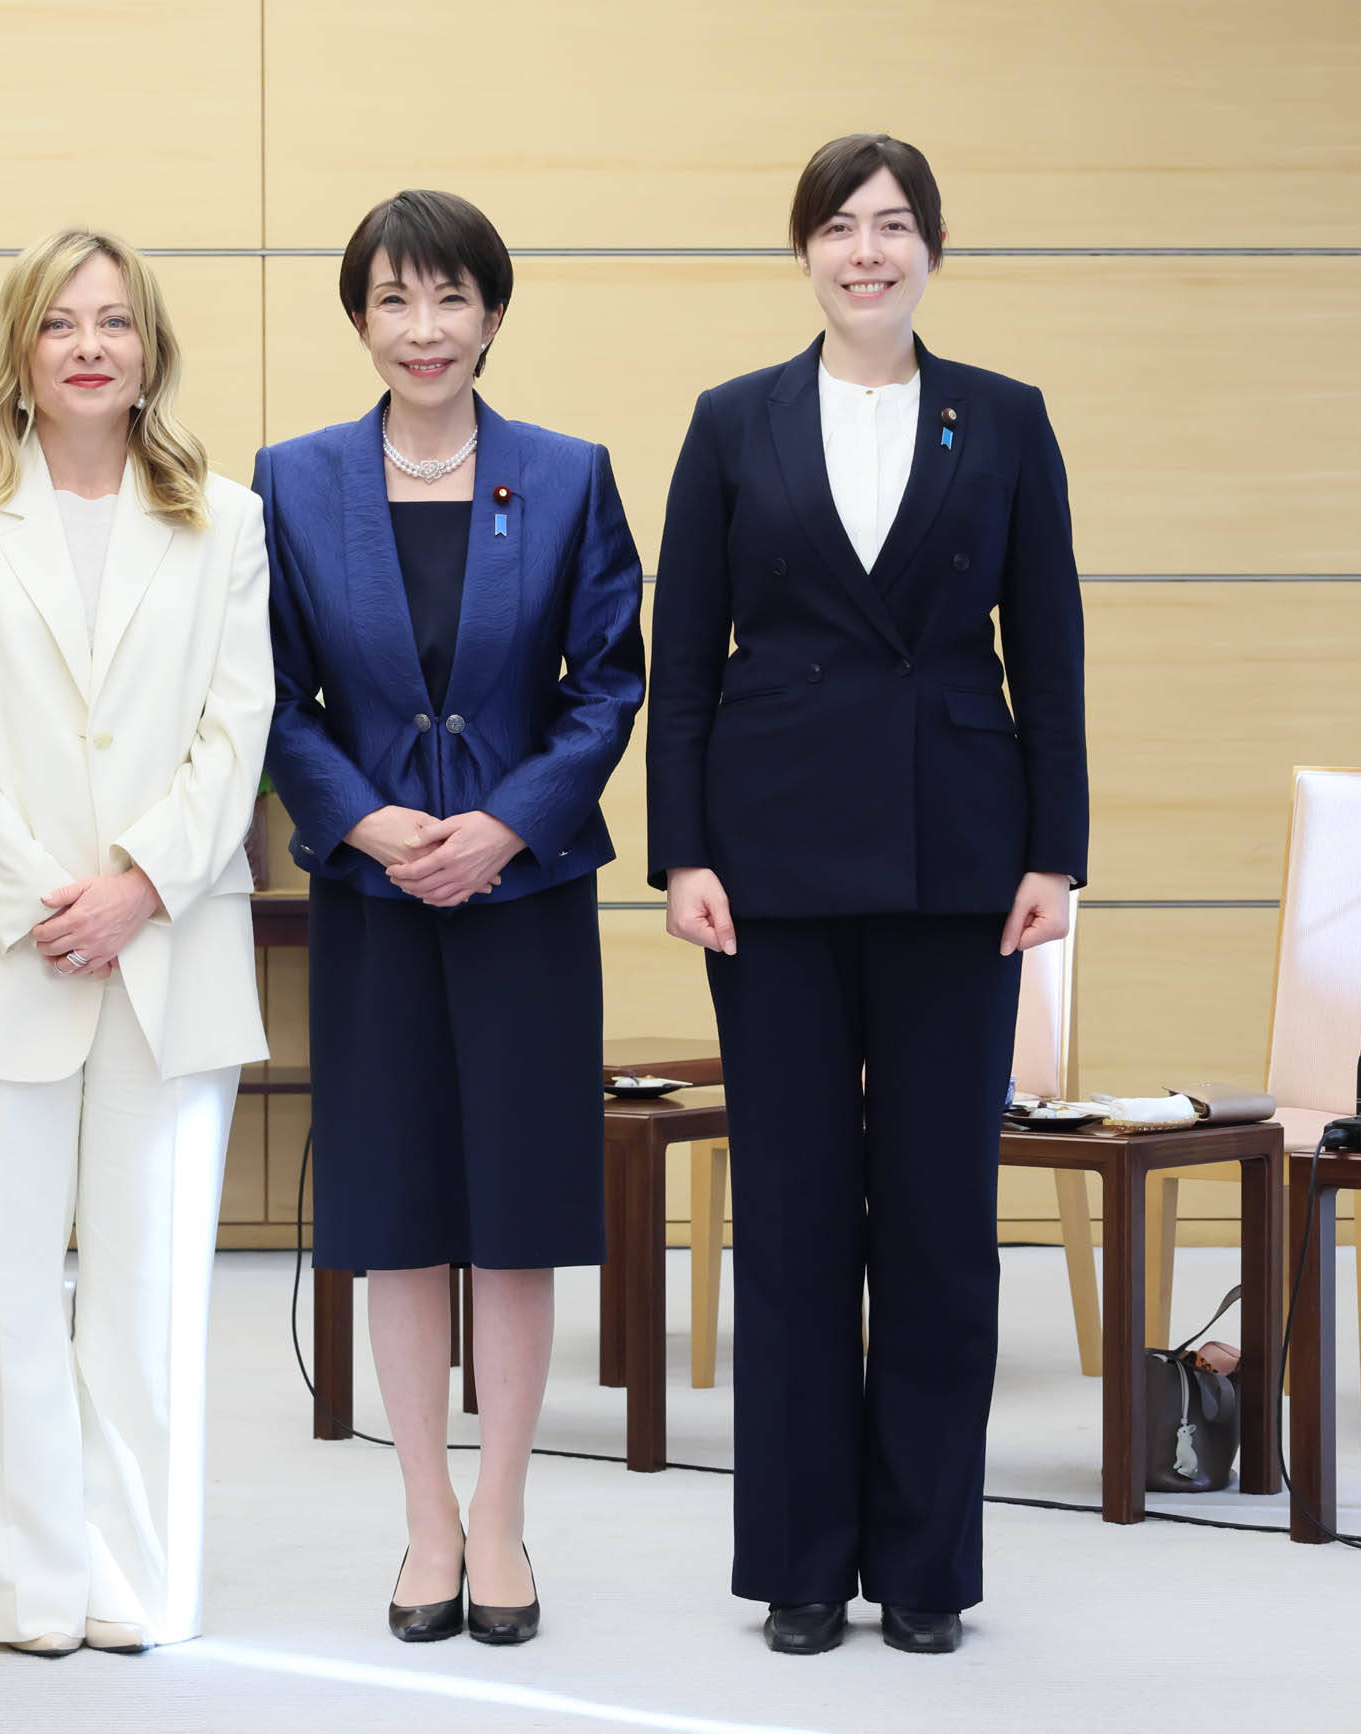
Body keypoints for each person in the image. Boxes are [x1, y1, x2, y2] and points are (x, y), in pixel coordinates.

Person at [647, 134, 1087, 1656]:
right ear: (805, 252)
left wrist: (1056, 849)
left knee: (941, 1225)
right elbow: (682, 659)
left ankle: (924, 1568)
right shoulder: (732, 422)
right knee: (788, 1218)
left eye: (893, 225)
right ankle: (798, 1561)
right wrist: (682, 851)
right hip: (764, 866)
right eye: (839, 226)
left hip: (958, 858)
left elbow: (1051, 646)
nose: (867, 251)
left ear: (933, 251)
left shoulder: (1007, 420)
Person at [253, 189, 645, 1647]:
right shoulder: (291, 484)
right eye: (395, 301)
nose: (425, 329)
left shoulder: (569, 474)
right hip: (369, 892)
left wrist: (503, 823)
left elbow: (609, 680)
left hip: (524, 891)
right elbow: (270, 692)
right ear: (359, 319)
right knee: (400, 1211)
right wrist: (361, 818)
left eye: (452, 299)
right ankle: (423, 1519)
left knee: (516, 1217)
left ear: (493, 311)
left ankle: (501, 1516)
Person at [0, 228, 273, 1658]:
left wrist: (139, 886)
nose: (91, 344)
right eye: (62, 323)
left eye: (116, 321)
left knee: (150, 1295)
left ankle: (140, 1583)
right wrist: (46, 897)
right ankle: (26, 1587)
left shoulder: (225, 521)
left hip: (170, 951)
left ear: (151, 349)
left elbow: (239, 730)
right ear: (22, 351)